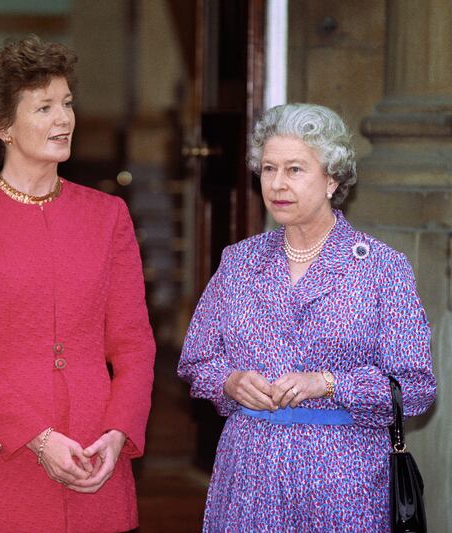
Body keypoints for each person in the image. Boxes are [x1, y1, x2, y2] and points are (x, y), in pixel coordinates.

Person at [0, 36, 155, 532]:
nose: (64, 119)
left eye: (68, 104)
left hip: (95, 457)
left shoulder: (108, 215)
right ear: (2, 126)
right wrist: (39, 438)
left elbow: (134, 343)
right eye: (45, 107)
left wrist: (119, 432)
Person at [178, 103, 436, 531]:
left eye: (295, 169)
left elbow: (416, 388)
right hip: (248, 481)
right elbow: (196, 361)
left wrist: (330, 383)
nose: (277, 184)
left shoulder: (381, 268)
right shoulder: (239, 263)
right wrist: (230, 381)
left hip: (345, 486)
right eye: (268, 169)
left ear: (332, 178)